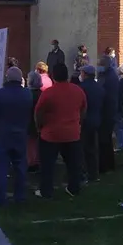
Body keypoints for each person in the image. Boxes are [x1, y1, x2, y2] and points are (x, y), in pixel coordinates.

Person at [35, 63, 87, 198]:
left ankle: (46, 191)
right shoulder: (78, 90)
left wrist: (40, 127)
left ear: (53, 76)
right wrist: (78, 123)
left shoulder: (48, 93)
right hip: (72, 133)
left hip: (51, 134)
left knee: (47, 165)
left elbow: (38, 112)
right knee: (73, 164)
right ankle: (74, 188)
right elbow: (83, 109)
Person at [0, 67, 32, 205]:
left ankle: (0, 198)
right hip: (20, 135)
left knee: (1, 169)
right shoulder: (27, 94)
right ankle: (20, 196)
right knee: (20, 168)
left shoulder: (0, 94)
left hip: (2, 135)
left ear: (7, 78)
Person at [79, 65, 104, 181]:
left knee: (83, 148)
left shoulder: (82, 88)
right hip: (96, 119)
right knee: (93, 148)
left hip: (85, 120)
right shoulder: (99, 87)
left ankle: (85, 173)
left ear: (85, 74)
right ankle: (94, 173)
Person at [97, 57, 119, 173]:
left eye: (100, 64)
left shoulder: (108, 77)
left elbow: (103, 93)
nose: (98, 66)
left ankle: (104, 165)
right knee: (107, 139)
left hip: (107, 111)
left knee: (104, 139)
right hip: (109, 110)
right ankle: (110, 164)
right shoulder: (110, 75)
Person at [26, 71, 44, 172]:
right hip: (41, 122)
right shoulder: (42, 94)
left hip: (30, 121)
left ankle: (32, 163)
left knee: (30, 144)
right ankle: (37, 161)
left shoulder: (27, 94)